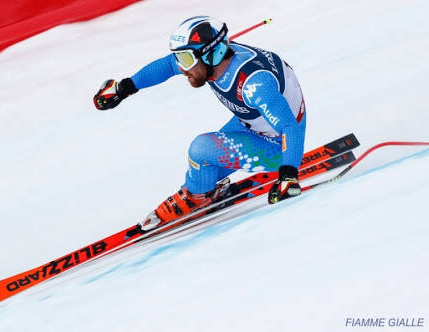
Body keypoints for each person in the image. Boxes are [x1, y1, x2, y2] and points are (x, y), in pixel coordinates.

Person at [94, 16, 306, 231]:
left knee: (201, 149)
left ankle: (198, 196)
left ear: (212, 54)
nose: (181, 67)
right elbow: (168, 66)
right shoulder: (211, 62)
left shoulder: (252, 84)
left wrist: (288, 176)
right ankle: (203, 189)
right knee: (205, 165)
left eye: (185, 59)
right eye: (179, 57)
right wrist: (124, 87)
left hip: (278, 146)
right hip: (253, 122)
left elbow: (289, 127)